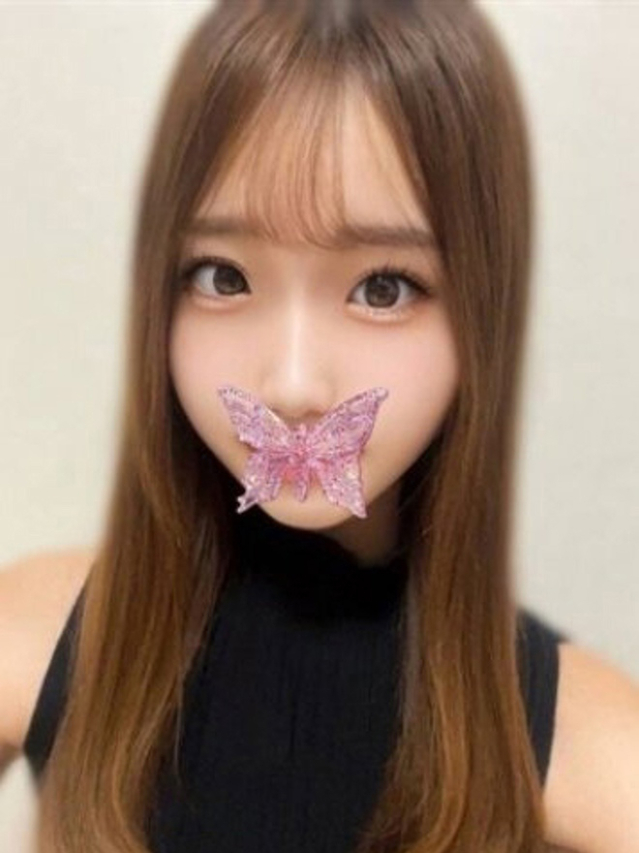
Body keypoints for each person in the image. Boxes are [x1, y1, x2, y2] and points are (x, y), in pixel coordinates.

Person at [1, 1, 638, 852]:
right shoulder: (35, 637)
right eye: (223, 277)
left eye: (382, 287)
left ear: (482, 310)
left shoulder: (595, 750)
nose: (293, 384)